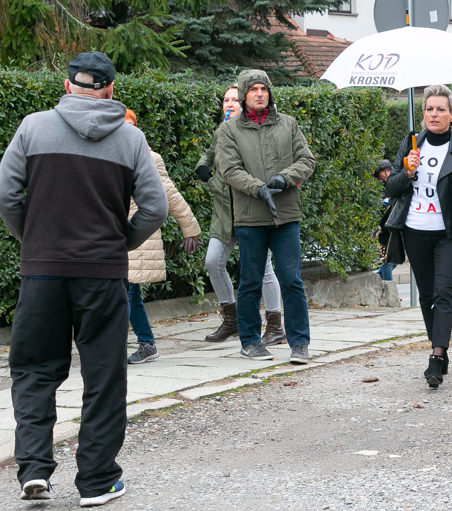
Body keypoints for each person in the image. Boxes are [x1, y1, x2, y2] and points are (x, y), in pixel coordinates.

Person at [0, 51, 167, 505]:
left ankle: (34, 470)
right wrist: (122, 243)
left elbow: (6, 193)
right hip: (102, 273)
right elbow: (156, 207)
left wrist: (30, 239)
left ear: (68, 83)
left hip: (42, 271)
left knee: (34, 369)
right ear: (111, 89)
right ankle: (97, 481)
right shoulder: (131, 139)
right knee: (104, 375)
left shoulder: (33, 127)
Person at [386, 85, 452, 388]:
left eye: (440, 109)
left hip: (451, 230)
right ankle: (440, 343)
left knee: (444, 290)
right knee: (426, 295)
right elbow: (390, 188)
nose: (434, 114)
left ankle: (435, 356)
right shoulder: (411, 144)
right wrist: (407, 172)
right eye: (429, 109)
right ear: (423, 114)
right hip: (414, 229)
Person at [217, 70, 316, 362]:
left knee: (291, 279)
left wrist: (284, 179)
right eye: (253, 89)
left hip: (285, 215)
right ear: (244, 95)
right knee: (250, 280)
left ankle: (299, 342)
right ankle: (250, 341)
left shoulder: (288, 124)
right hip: (250, 217)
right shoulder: (229, 130)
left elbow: (306, 160)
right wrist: (258, 188)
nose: (259, 93)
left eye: (264, 89)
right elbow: (230, 170)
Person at [195, 85, 284, 346]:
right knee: (213, 261)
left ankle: (275, 325)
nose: (229, 104)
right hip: (225, 212)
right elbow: (210, 155)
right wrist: (204, 169)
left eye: (234, 99)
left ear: (244, 103)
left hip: (252, 210)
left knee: (263, 268)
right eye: (225, 100)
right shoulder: (221, 131)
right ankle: (231, 319)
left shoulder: (254, 131)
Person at [125, 109, 201, 364]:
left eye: (129, 124)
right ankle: (145, 343)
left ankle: (142, 344)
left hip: (136, 236)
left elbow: (171, 194)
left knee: (125, 291)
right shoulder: (110, 154)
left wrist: (190, 228)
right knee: (125, 292)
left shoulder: (149, 158)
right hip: (113, 235)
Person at [373, 159, 397, 281]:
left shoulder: (393, 184)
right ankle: (388, 289)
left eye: (388, 170)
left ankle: (380, 282)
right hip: (382, 230)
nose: (387, 174)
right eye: (384, 171)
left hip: (394, 227)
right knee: (387, 260)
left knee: (393, 260)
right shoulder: (376, 189)